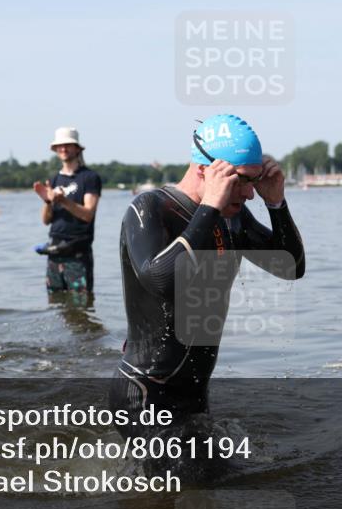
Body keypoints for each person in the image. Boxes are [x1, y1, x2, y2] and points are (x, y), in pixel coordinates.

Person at [108, 114, 305, 438]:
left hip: (194, 395)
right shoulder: (150, 208)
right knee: (177, 484)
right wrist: (210, 206)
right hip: (143, 394)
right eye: (241, 180)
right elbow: (159, 280)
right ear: (205, 171)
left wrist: (277, 203)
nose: (249, 195)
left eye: (254, 182)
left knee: (210, 486)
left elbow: (291, 267)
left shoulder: (233, 218)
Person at [33, 127, 101, 300]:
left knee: (81, 306)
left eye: (68, 145)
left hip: (77, 253)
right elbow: (46, 221)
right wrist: (48, 201)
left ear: (77, 148)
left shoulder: (89, 178)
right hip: (54, 251)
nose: (63, 149)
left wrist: (63, 201)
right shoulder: (54, 179)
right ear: (55, 150)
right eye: (60, 146)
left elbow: (87, 215)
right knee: (55, 304)